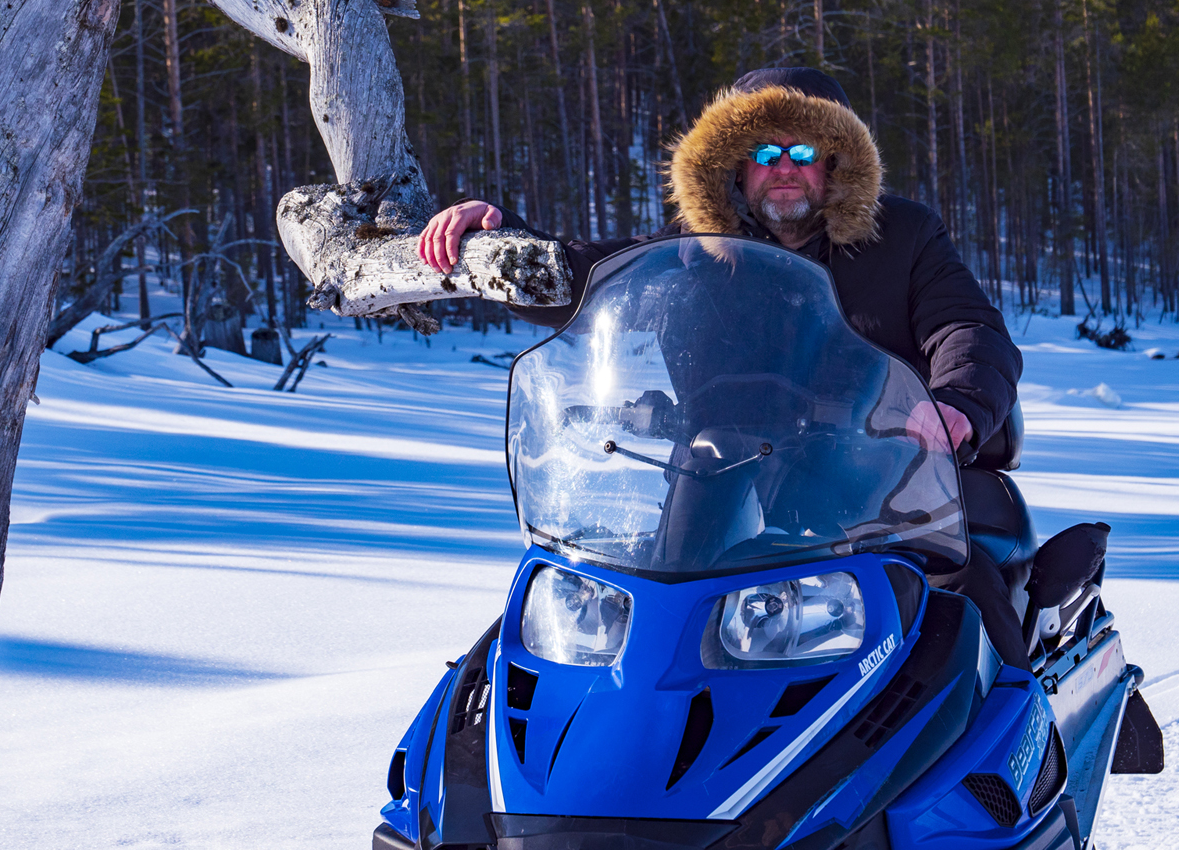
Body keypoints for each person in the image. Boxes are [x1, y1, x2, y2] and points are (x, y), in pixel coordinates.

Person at [418, 65, 1031, 666]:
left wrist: (955, 402)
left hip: (879, 470)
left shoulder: (904, 235)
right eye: (765, 150)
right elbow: (586, 279)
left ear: (835, 160)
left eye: (803, 149)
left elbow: (967, 327)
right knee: (643, 606)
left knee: (961, 606)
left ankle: (1020, 727)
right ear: (737, 163)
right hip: (726, 466)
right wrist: (499, 237)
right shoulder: (695, 250)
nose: (783, 167)